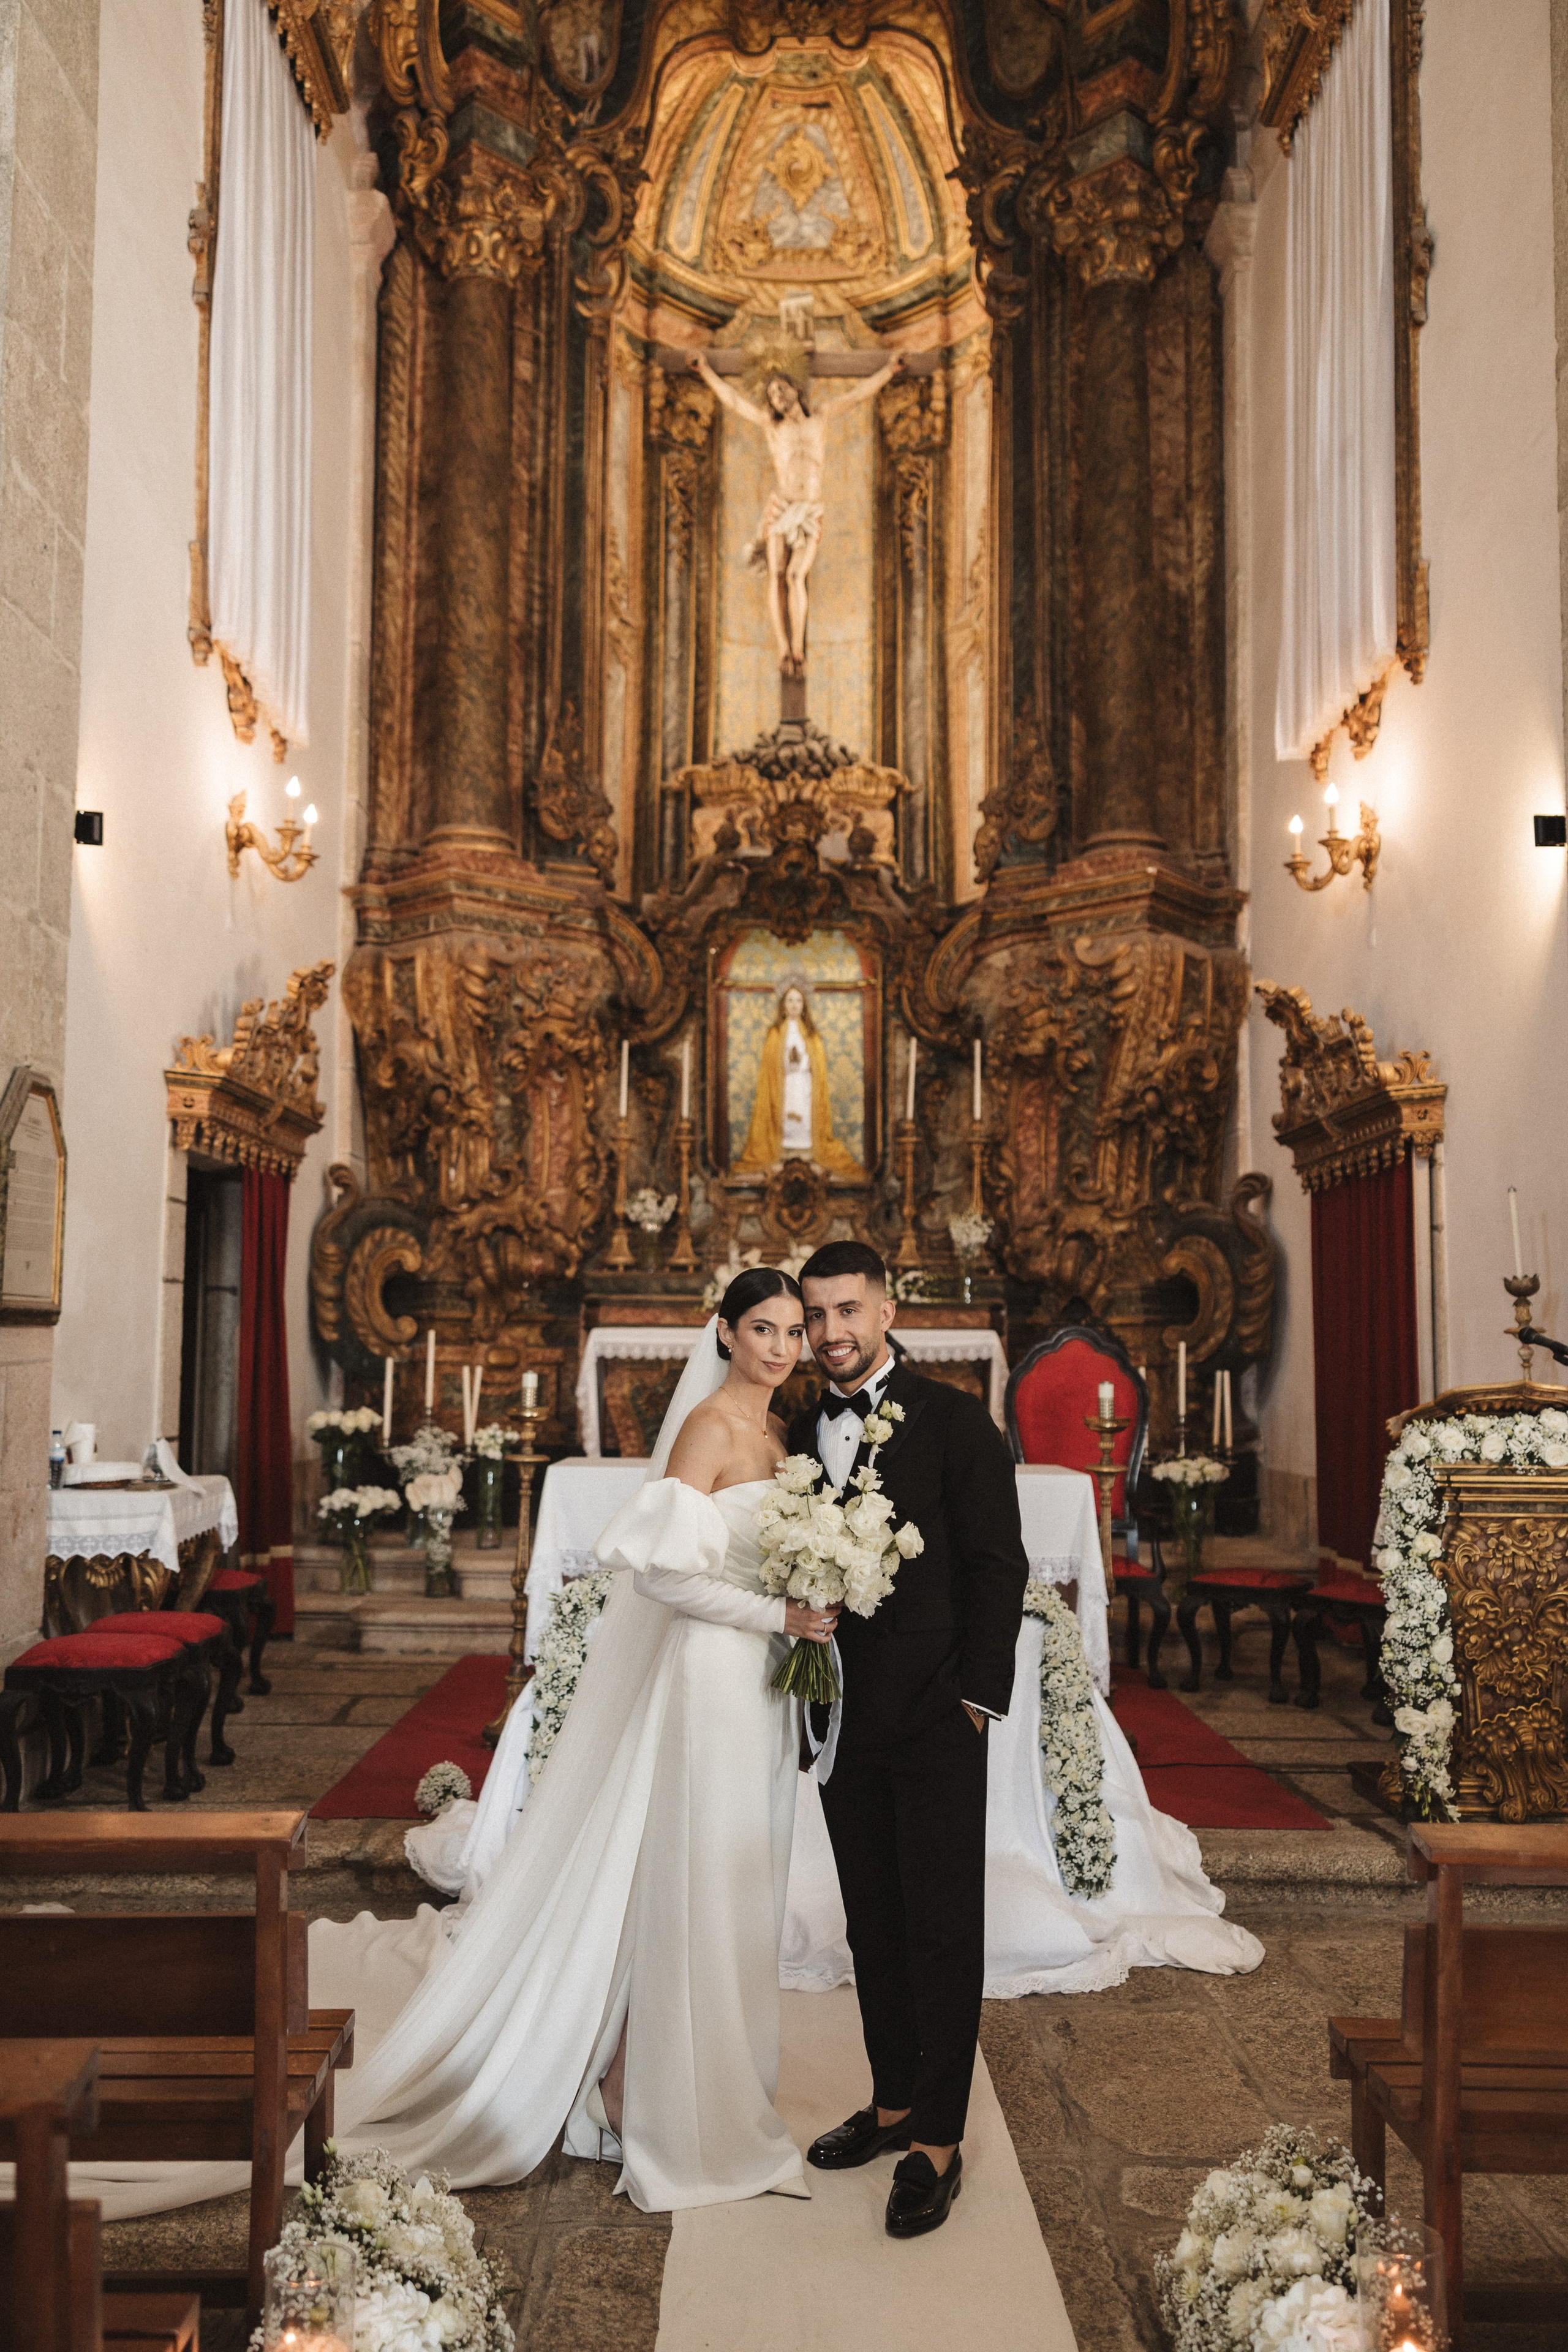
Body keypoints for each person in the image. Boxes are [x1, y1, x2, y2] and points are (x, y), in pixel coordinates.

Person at [306, 1267, 832, 2212]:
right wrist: (776, 1617)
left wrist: (802, 1609)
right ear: (724, 1332)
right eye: (764, 1328)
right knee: (694, 1880)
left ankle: (687, 2078)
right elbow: (665, 1580)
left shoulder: (784, 1431)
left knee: (736, 1880)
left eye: (793, 1330)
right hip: (712, 1675)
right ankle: (648, 2093)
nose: (783, 1347)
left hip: (759, 1686)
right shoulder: (710, 1427)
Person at [788, 1238, 1027, 2241]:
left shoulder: (957, 1421)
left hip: (935, 1716)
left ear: (887, 1310)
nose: (832, 1333)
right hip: (844, 1720)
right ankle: (890, 2103)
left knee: (939, 1927)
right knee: (872, 1920)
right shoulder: (799, 1427)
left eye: (849, 1311)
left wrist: (975, 1701)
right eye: (816, 1317)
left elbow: (996, 1566)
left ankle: (938, 2138)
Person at [694, 347, 900, 676]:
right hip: (782, 507)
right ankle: (783, 649)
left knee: (795, 576)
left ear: (796, 389)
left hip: (809, 510)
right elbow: (733, 401)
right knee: (777, 577)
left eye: (780, 388)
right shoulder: (771, 426)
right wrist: (706, 372)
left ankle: (799, 649)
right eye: (771, 393)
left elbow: (859, 394)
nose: (776, 396)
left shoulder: (821, 416)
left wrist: (889, 371)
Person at [734, 980, 863, 1178]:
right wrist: (786, 1064)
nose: (794, 1005)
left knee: (804, 1116)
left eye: (798, 1001)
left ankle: (807, 1151)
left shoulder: (811, 1035)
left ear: (804, 1006)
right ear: (783, 1005)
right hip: (784, 1086)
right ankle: (784, 1151)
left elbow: (818, 1067)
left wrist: (804, 1065)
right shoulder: (775, 1034)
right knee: (785, 1115)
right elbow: (769, 1068)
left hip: (804, 1086)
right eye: (790, 1000)